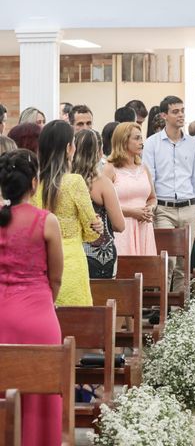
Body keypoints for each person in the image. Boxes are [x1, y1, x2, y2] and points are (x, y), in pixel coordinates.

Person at [0, 149, 64, 446]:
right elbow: (56, 277)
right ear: (35, 183)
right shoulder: (46, 221)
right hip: (38, 317)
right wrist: (43, 300)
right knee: (40, 394)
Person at [32, 120, 102, 306]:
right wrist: (96, 225)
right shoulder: (74, 182)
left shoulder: (33, 184)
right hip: (70, 263)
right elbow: (91, 232)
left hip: (40, 262)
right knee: (76, 324)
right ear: (68, 148)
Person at [143, 96, 195, 290]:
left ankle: (178, 311)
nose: (180, 115)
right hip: (163, 208)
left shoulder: (193, 144)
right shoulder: (152, 143)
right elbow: (149, 177)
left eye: (182, 111)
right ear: (164, 115)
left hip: (188, 207)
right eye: (175, 111)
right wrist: (151, 207)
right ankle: (161, 306)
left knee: (183, 263)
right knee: (167, 261)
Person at [73, 130, 125, 278]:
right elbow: (119, 225)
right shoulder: (103, 183)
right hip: (100, 254)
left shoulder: (65, 181)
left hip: (73, 252)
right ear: (99, 151)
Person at [105, 122, 157, 256]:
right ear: (123, 141)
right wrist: (132, 212)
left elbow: (152, 198)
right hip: (122, 229)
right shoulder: (110, 169)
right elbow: (103, 205)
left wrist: (150, 209)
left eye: (141, 138)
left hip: (144, 227)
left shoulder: (144, 168)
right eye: (136, 138)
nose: (141, 142)